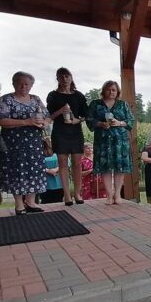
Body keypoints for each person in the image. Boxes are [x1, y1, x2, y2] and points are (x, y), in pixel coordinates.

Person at [0, 71, 48, 215]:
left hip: (34, 142)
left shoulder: (36, 99)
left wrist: (43, 123)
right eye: (20, 83)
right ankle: (19, 204)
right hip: (14, 143)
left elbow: (47, 117)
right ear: (14, 83)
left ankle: (31, 202)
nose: (23, 86)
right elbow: (0, 121)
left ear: (31, 85)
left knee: (34, 170)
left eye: (27, 84)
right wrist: (26, 121)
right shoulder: (6, 100)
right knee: (17, 171)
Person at [87, 81, 133, 205]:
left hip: (120, 141)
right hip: (102, 140)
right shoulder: (95, 104)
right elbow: (89, 120)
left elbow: (130, 121)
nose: (111, 92)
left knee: (119, 167)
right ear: (103, 91)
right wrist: (101, 124)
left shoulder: (123, 104)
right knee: (105, 167)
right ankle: (109, 194)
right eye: (108, 89)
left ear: (117, 91)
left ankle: (117, 194)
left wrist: (119, 123)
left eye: (113, 90)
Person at [46, 67, 88, 206]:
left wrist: (78, 120)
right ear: (57, 79)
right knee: (63, 164)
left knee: (77, 164)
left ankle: (77, 193)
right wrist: (60, 111)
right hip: (60, 132)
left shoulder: (79, 96)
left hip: (75, 132)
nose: (64, 79)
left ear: (71, 77)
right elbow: (49, 117)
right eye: (61, 76)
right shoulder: (53, 95)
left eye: (67, 76)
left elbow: (85, 115)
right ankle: (67, 194)